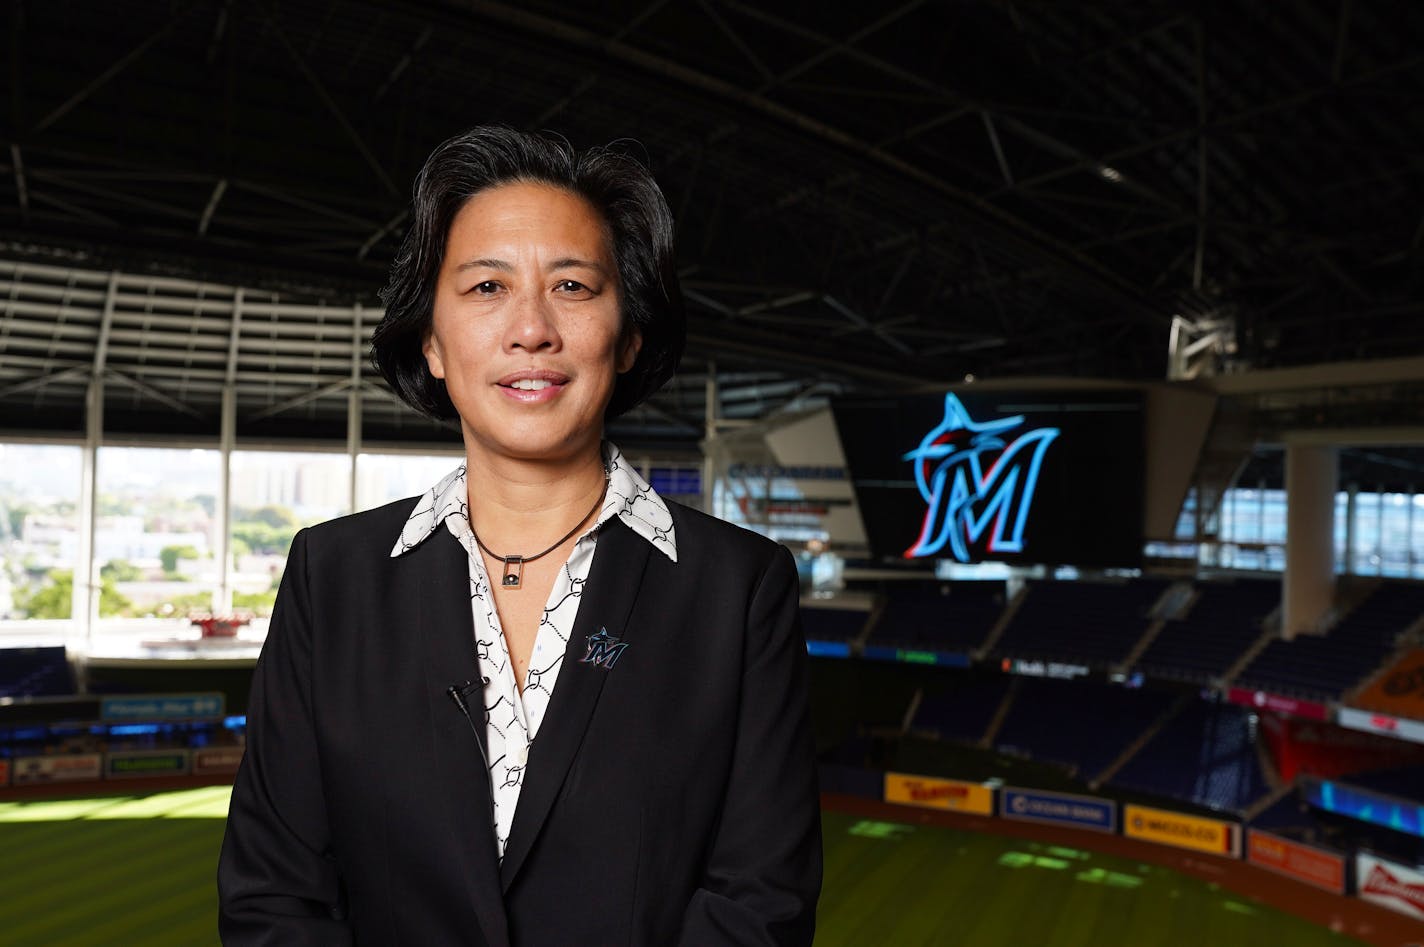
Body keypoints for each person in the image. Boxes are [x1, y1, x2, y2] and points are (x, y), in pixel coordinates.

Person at [217, 126, 822, 945]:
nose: (530, 328)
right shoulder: (333, 578)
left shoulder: (739, 587)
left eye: (573, 284)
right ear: (430, 340)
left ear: (631, 332)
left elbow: (761, 905)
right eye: (485, 287)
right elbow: (271, 899)